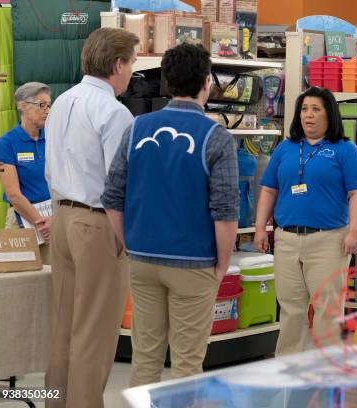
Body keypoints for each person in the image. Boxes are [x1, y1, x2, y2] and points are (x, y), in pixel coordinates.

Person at [102, 43, 239, 385]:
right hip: (194, 261)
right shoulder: (217, 138)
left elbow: (112, 198)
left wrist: (129, 243)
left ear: (165, 80)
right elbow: (225, 211)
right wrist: (222, 263)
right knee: (187, 363)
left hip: (143, 258)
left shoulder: (135, 128)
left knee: (145, 357)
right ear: (208, 81)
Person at [44, 28, 139, 408]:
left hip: (63, 219)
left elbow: (52, 171)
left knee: (65, 328)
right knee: (95, 333)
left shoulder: (62, 101)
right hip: (98, 223)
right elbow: (120, 185)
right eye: (132, 62)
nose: (132, 71)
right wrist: (124, 238)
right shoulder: (114, 112)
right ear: (118, 64)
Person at [254, 87, 357, 356]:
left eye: (316, 109)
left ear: (329, 113)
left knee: (327, 309)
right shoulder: (286, 148)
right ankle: (287, 368)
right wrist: (260, 228)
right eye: (304, 109)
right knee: (291, 309)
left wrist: (354, 231)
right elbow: (269, 190)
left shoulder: (345, 150)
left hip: (329, 241)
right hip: (287, 240)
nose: (309, 115)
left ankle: (326, 371)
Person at [0, 82, 52, 263]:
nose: (47, 110)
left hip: (53, 220)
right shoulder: (7, 142)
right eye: (41, 105)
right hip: (22, 220)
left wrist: (52, 221)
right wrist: (41, 223)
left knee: (53, 280)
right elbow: (13, 194)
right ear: (23, 106)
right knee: (18, 283)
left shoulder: (53, 137)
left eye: (49, 105)